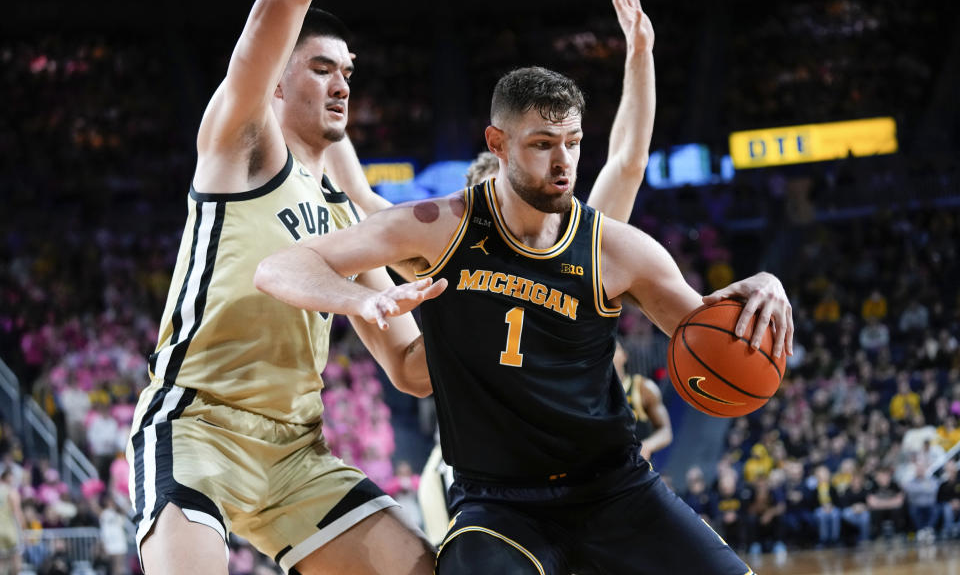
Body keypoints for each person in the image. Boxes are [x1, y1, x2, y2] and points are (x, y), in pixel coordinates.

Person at [256, 63, 794, 573]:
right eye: (542, 145)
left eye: (573, 144)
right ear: (498, 145)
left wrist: (767, 286)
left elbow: (703, 329)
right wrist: (354, 300)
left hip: (615, 488)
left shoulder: (618, 250)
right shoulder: (439, 228)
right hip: (499, 505)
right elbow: (279, 267)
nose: (563, 162)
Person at [126, 0, 439, 573]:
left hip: (297, 452)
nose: (341, 84)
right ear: (275, 82)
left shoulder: (350, 220)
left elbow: (410, 369)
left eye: (348, 72)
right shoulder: (244, 146)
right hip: (198, 424)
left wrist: (496, 306)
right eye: (322, 67)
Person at [415, 0, 661, 538]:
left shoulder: (582, 239)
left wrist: (640, 56)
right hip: (486, 480)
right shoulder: (447, 257)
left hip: (579, 476)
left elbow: (627, 160)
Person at [0, 469, 25, 575]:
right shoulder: (12, 492)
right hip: (11, 531)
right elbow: (17, 512)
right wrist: (23, 530)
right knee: (16, 561)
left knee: (1, 563)